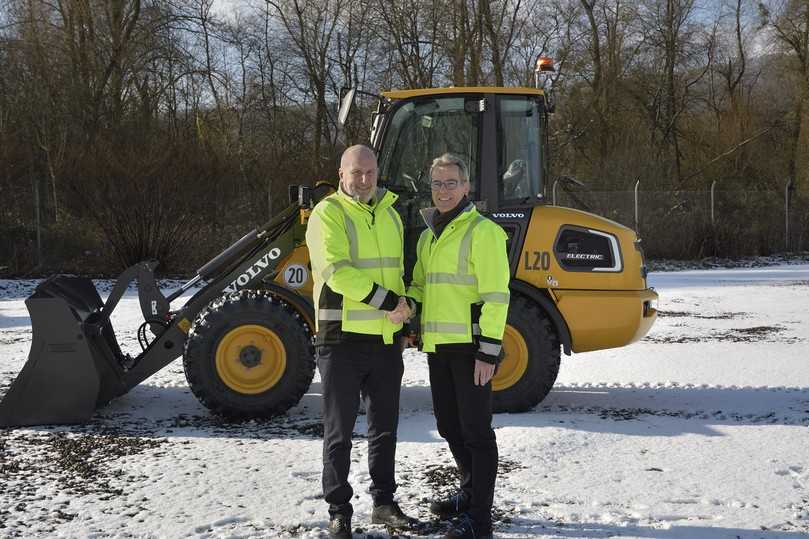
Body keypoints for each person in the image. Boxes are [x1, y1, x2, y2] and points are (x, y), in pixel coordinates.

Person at [305, 145, 418, 539]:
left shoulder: (390, 213)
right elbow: (338, 273)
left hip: (385, 340)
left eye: (370, 172)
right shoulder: (328, 214)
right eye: (356, 173)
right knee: (338, 432)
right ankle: (339, 510)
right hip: (341, 340)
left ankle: (384, 504)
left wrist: (405, 313)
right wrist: (389, 303)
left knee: (384, 428)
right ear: (341, 174)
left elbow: (397, 272)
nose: (364, 180)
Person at [406, 153, 510, 539]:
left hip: (470, 349)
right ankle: (469, 494)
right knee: (449, 426)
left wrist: (488, 350)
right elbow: (420, 285)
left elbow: (497, 296)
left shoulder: (483, 232)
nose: (444, 190)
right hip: (439, 347)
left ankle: (479, 519)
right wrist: (408, 306)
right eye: (437, 183)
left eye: (452, 183)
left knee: (477, 433)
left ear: (466, 187)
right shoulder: (429, 234)